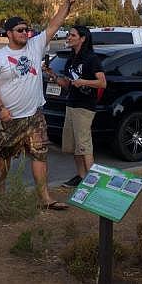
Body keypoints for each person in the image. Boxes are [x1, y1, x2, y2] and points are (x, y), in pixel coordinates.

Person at [0, 0, 75, 210]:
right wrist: (0, 108)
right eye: (20, 30)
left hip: (35, 116)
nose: (25, 33)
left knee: (40, 156)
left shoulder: (35, 46)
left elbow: (53, 25)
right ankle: (0, 194)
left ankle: (45, 199)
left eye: (27, 30)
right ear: (9, 33)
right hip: (9, 119)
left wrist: (66, 5)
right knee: (4, 158)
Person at [45, 25, 106, 187]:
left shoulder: (91, 59)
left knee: (84, 145)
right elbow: (66, 84)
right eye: (69, 35)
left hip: (84, 107)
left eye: (72, 35)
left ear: (82, 38)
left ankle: (93, 182)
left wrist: (83, 82)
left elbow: (102, 82)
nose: (69, 37)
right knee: (75, 146)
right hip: (71, 105)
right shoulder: (71, 59)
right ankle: (81, 176)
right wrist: (53, 75)